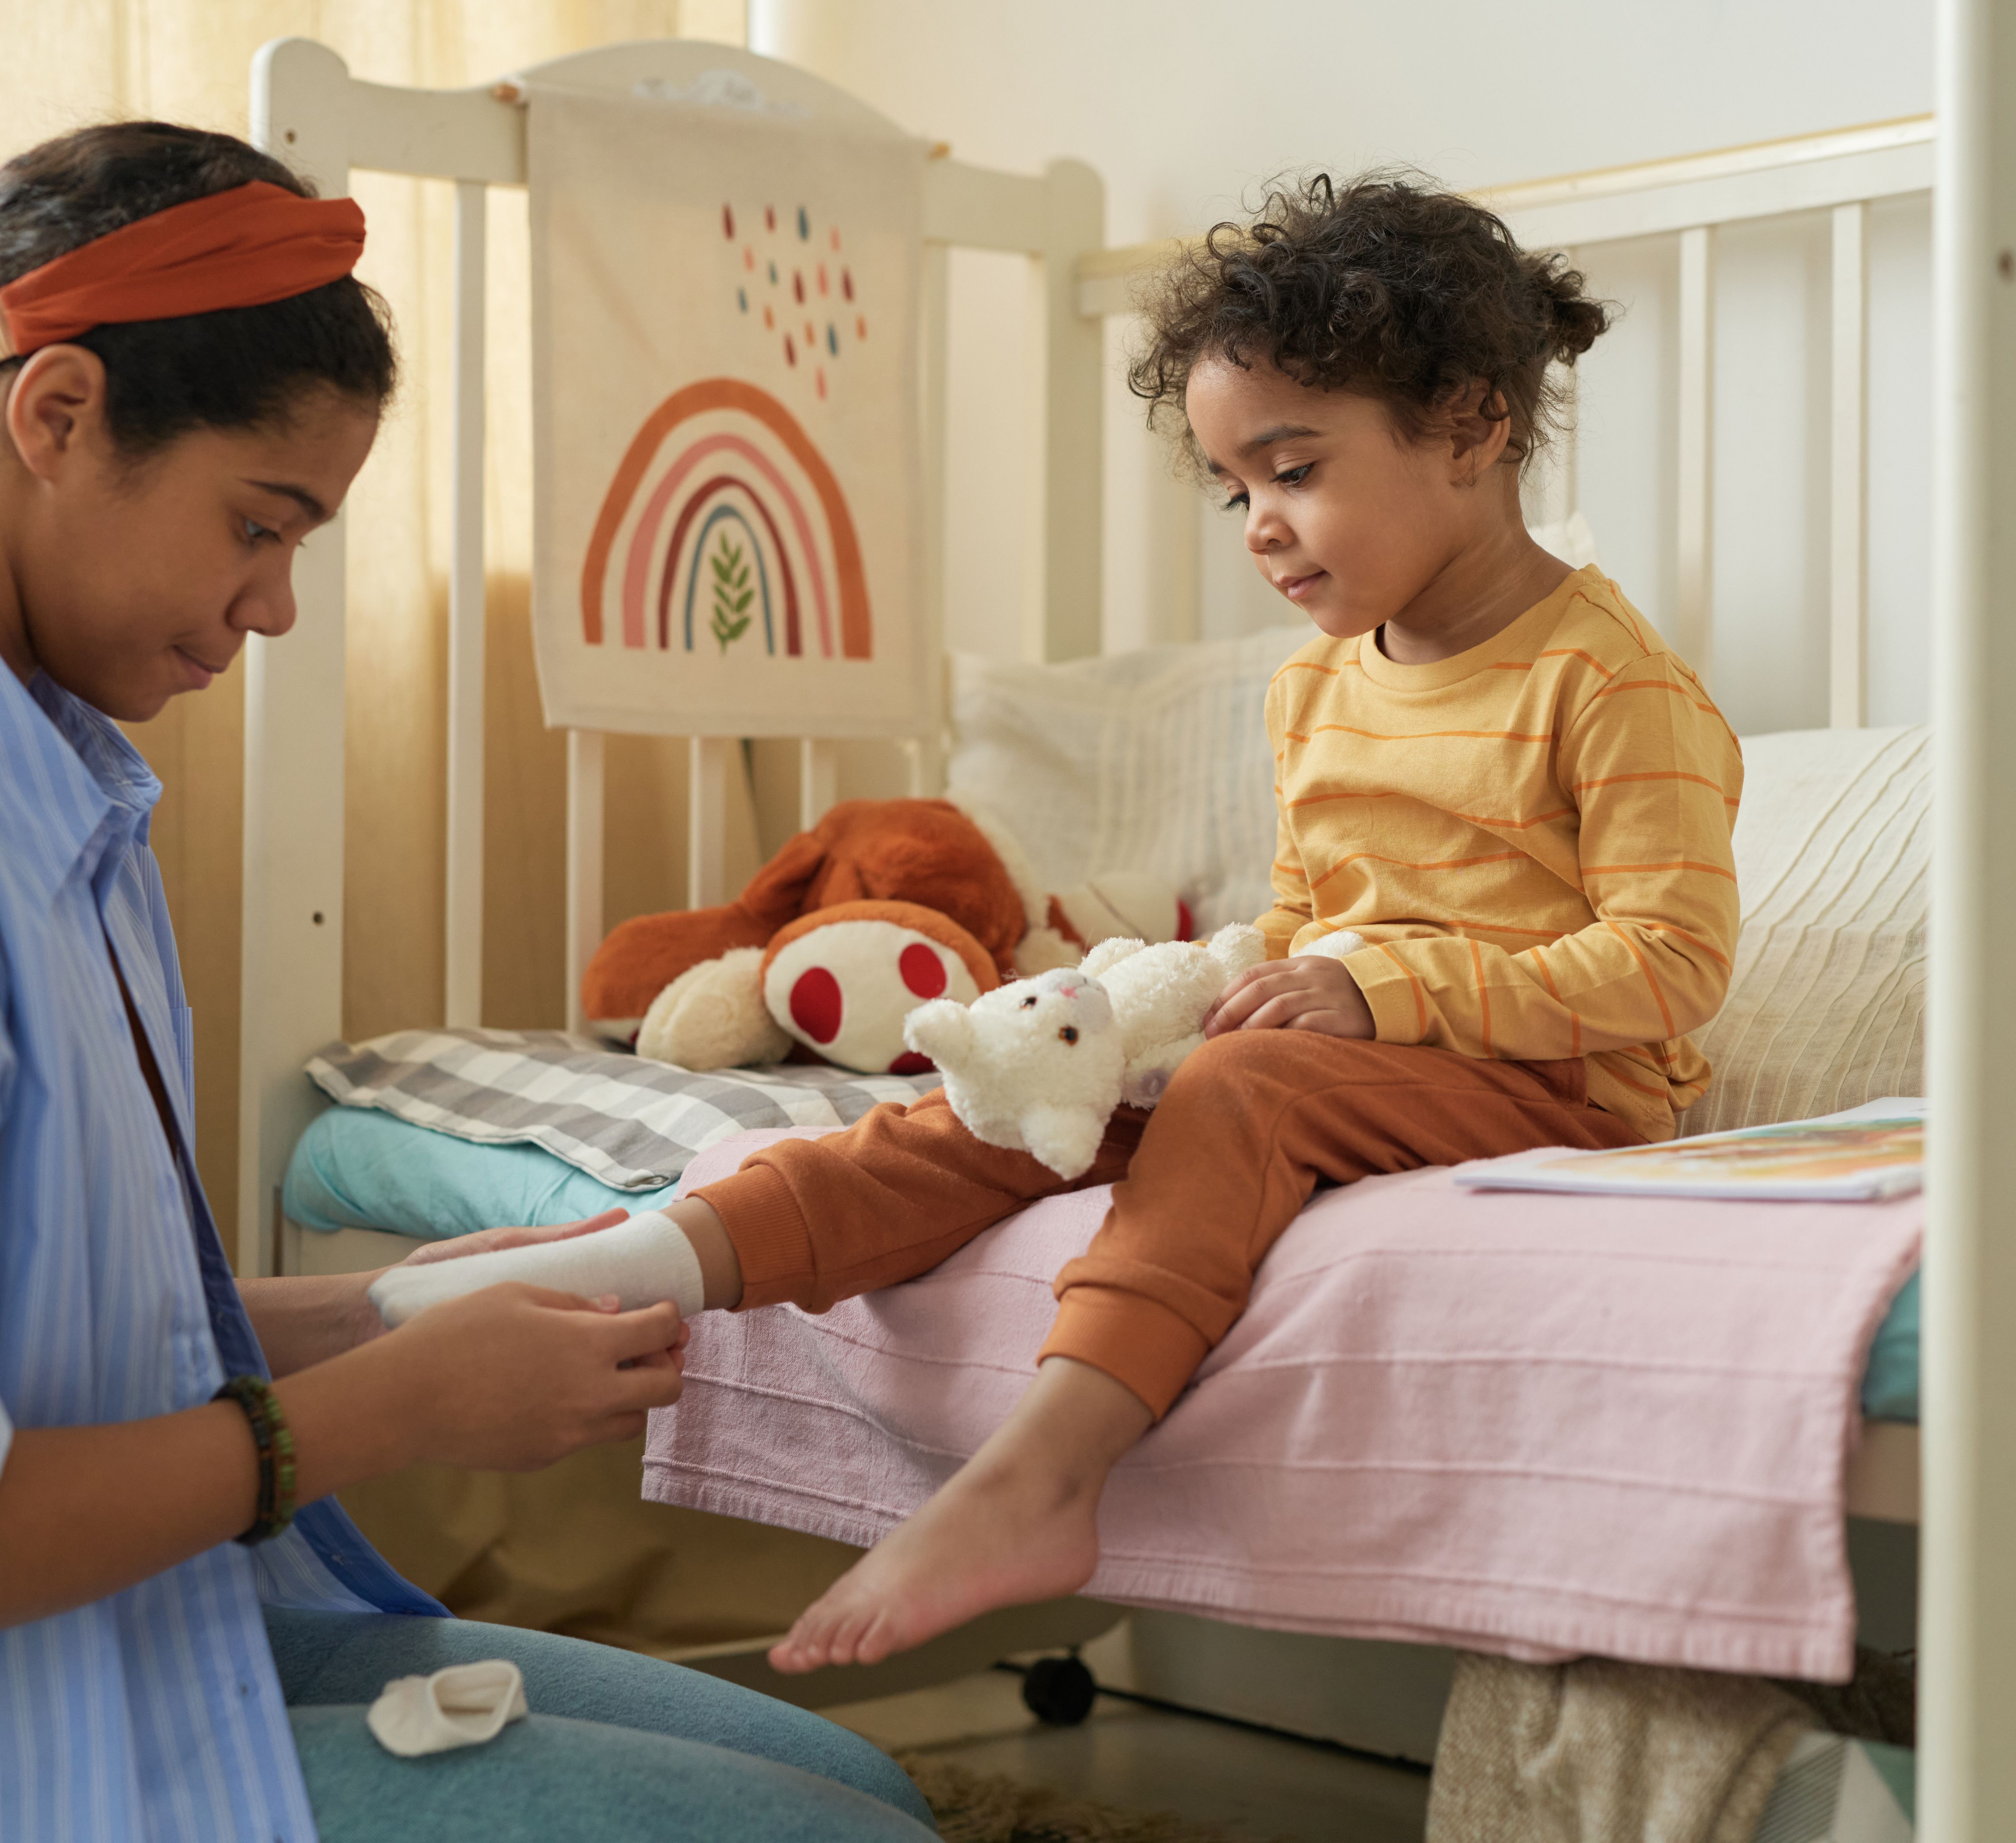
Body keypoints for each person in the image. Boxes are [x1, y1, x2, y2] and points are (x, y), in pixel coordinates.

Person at [0, 122, 934, 1843]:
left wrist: (386, 1311)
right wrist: (385, 1410)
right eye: (259, 523)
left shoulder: (20, 771)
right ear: (58, 415)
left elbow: (23, 1326)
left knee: (854, 1784)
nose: (278, 606)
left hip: (63, 1634)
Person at [370, 171, 1747, 1676]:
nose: (1260, 528)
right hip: (1355, 1063)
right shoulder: (1316, 686)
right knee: (1012, 1095)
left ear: (1474, 427)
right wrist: (1168, 1002)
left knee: (1245, 1087)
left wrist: (1377, 998)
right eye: (1235, 490)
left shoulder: (1609, 683)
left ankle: (1043, 1477)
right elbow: (1307, 919)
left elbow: (1670, 966)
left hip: (1551, 1092)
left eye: (1293, 470)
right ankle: (644, 1260)